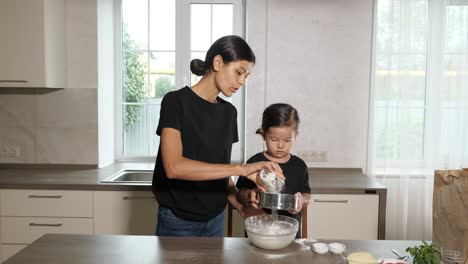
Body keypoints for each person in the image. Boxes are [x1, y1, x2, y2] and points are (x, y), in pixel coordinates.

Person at [152, 35, 283, 237]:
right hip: (178, 222)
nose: (242, 81)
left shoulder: (229, 113)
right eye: (239, 72)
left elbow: (219, 171)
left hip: (215, 220)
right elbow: (173, 167)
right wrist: (241, 169)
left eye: (246, 75)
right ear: (218, 62)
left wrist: (241, 206)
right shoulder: (175, 102)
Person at [236, 103, 311, 238]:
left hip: (289, 235)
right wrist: (250, 194)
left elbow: (306, 195)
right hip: (259, 233)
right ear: (263, 135)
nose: (281, 146)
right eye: (274, 139)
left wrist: (301, 200)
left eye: (288, 140)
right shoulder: (255, 162)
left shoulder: (299, 166)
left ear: (296, 135)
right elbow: (239, 194)